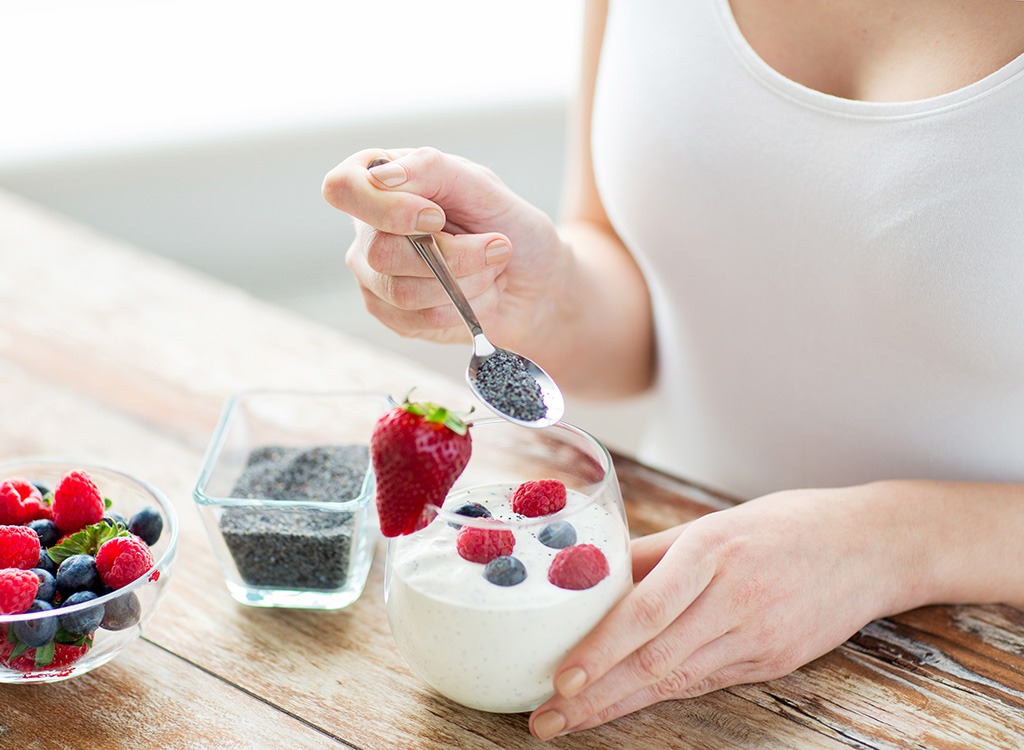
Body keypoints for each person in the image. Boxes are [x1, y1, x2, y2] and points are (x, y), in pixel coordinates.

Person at [322, 0, 1024, 741]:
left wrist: (890, 544)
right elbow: (652, 321)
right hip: (669, 599)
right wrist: (541, 292)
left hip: (974, 671)